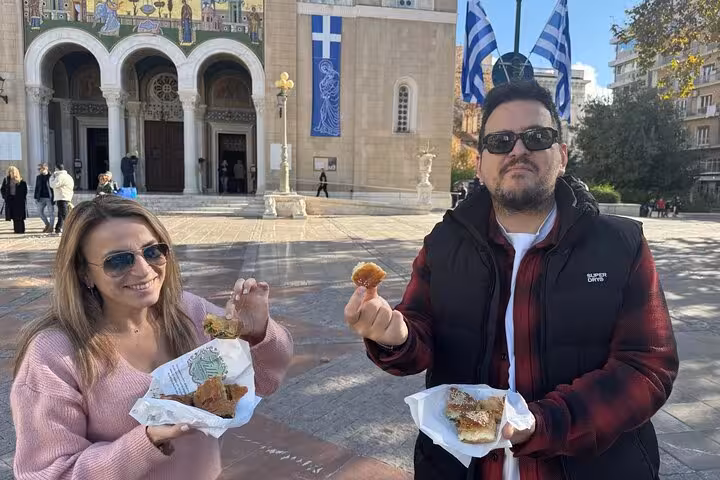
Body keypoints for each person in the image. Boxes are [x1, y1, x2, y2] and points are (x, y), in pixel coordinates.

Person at [343, 81, 678, 480]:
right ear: (481, 164)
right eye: (500, 141)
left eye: (536, 137)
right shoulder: (443, 244)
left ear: (563, 155)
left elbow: (648, 367)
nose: (518, 150)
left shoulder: (620, 245)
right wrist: (393, 336)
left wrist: (544, 422)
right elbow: (419, 341)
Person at [11, 195, 294, 479]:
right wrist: (147, 440)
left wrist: (256, 332)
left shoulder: (190, 313)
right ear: (85, 273)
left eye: (152, 251)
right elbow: (48, 472)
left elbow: (263, 379)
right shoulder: (54, 355)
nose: (144, 269)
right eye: (118, 261)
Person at [1, 166, 28, 234]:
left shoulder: (21, 181)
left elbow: (25, 191)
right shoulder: (6, 180)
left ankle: (21, 229)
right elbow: (2, 189)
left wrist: (22, 198)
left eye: (12, 172)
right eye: (10, 172)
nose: (11, 173)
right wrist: (5, 197)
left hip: (19, 201)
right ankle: (16, 229)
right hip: (10, 200)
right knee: (13, 215)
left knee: (20, 216)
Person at [49, 163, 75, 235]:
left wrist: (51, 177)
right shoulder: (68, 176)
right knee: (60, 214)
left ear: (57, 169)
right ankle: (58, 229)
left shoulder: (60, 176)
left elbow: (53, 185)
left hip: (62, 197)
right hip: (66, 196)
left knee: (64, 214)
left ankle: (71, 230)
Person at [34, 163, 55, 233]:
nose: (39, 170)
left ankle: (51, 227)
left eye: (40, 169)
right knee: (40, 212)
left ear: (46, 168)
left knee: (51, 213)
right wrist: (35, 198)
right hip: (41, 197)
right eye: (39, 169)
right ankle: (47, 224)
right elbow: (36, 188)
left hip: (49, 197)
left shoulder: (52, 176)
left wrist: (54, 198)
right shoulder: (38, 177)